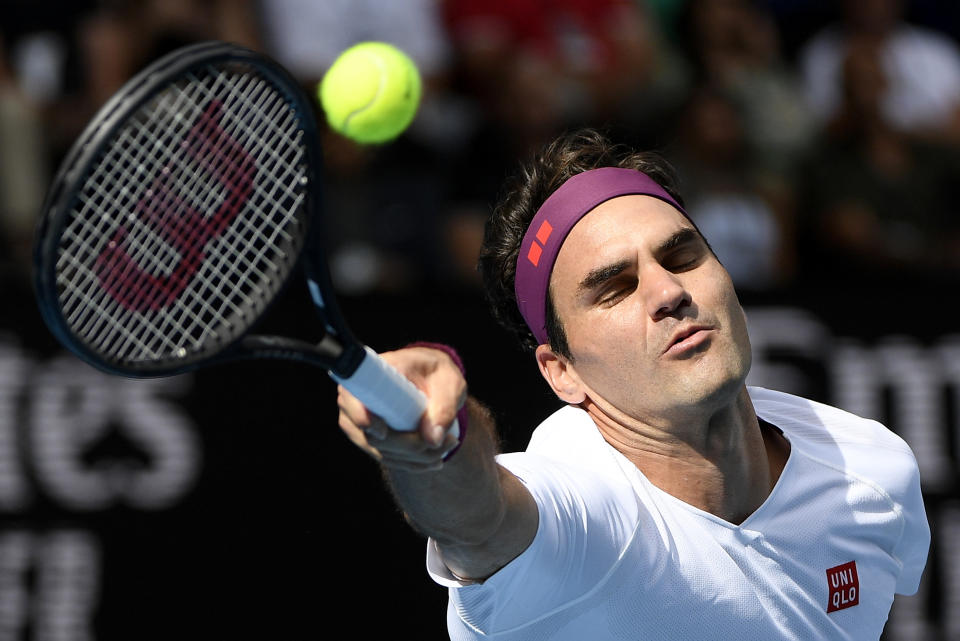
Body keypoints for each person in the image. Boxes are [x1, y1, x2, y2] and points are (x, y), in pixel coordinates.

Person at [336, 129, 930, 640]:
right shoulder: (581, 518)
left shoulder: (873, 471)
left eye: (682, 256)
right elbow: (480, 518)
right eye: (614, 288)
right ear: (561, 372)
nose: (669, 292)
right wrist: (436, 446)